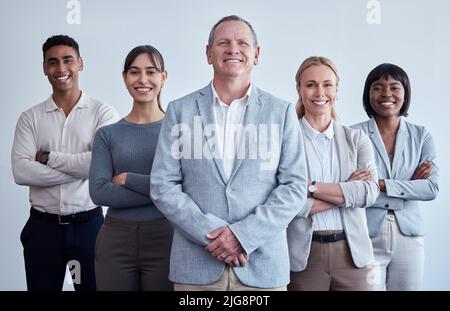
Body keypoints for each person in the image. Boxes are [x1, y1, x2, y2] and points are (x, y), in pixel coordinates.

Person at [150, 15, 307, 291]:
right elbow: (163, 186)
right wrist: (211, 234)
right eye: (223, 42)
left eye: (242, 43)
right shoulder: (180, 110)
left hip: (262, 267)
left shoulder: (281, 112)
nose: (233, 49)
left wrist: (243, 235)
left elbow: (294, 187)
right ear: (208, 53)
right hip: (195, 269)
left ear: (256, 54)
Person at [11, 35, 118, 291]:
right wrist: (86, 170)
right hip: (42, 229)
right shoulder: (30, 118)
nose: (60, 69)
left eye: (67, 60)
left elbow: (105, 164)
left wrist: (50, 159)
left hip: (89, 228)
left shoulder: (102, 113)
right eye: (53, 62)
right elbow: (21, 171)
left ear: (80, 63)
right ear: (44, 68)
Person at [287, 56, 379, 291]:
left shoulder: (357, 139)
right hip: (303, 256)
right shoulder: (285, 140)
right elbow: (285, 203)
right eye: (311, 84)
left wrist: (311, 187)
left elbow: (368, 193)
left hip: (353, 254)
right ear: (299, 89)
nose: (320, 92)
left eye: (327, 84)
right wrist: (346, 189)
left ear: (337, 88)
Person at [89, 45, 173, 291]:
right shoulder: (107, 134)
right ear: (125, 78)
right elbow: (100, 192)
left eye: (151, 71)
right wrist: (161, 190)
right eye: (135, 72)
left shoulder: (177, 132)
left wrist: (128, 179)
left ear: (163, 77)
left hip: (164, 237)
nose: (143, 79)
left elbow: (186, 188)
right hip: (115, 241)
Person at [352, 63, 439, 291]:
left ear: (405, 92)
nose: (386, 94)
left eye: (394, 87)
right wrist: (409, 185)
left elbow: (431, 188)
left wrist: (380, 184)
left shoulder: (421, 135)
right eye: (378, 87)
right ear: (368, 94)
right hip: (366, 235)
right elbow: (351, 189)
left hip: (409, 236)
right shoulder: (352, 135)